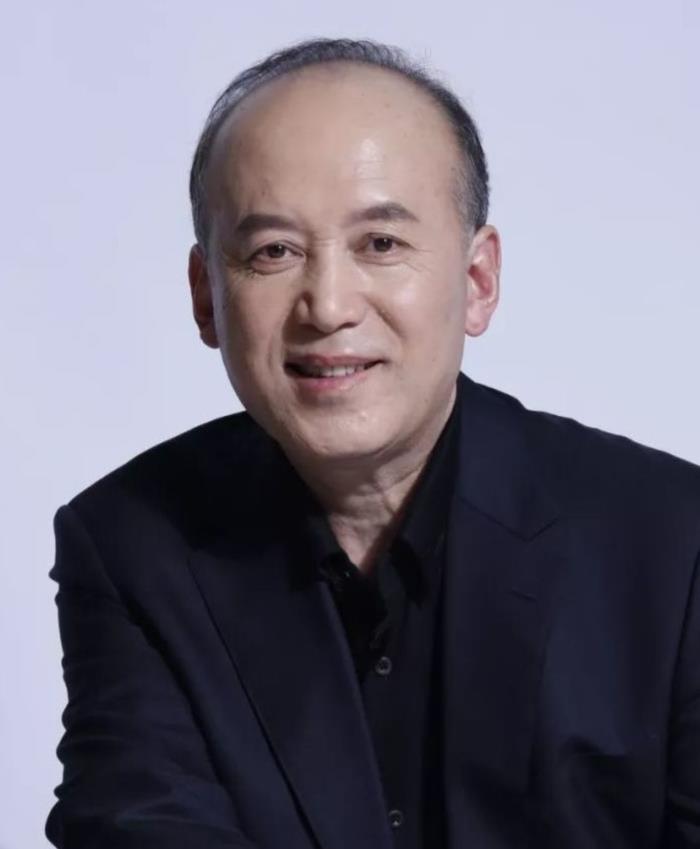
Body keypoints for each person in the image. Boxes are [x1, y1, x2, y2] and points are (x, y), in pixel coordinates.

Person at [46, 38, 700, 849]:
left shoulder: (674, 542)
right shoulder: (131, 545)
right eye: (274, 251)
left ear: (478, 281)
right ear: (206, 296)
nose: (328, 304)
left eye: (380, 244)